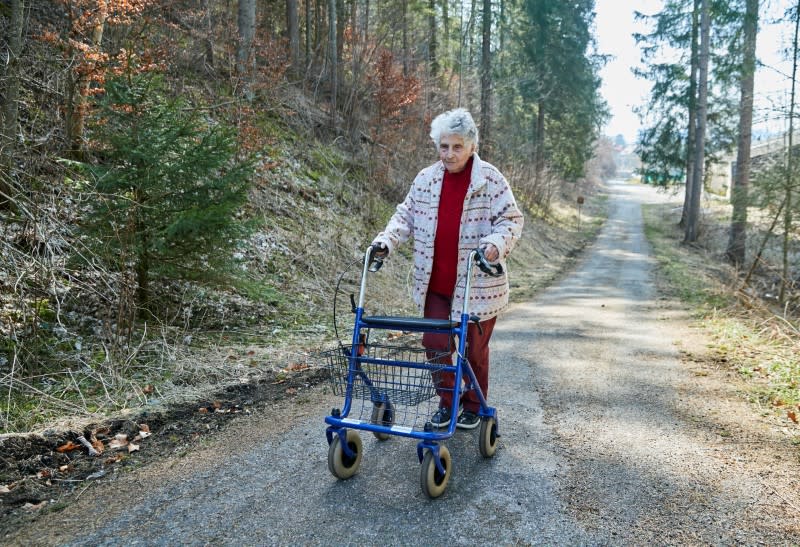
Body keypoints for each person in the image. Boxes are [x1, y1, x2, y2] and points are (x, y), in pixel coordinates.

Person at [370, 108, 524, 429]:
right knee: (435, 346)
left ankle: (472, 405)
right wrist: (385, 240)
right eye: (444, 146)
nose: (449, 154)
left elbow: (510, 220)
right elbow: (404, 216)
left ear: (472, 146)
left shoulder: (490, 180)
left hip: (477, 286)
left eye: (457, 147)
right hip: (436, 285)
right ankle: (448, 401)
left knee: (473, 351)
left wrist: (494, 246)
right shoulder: (426, 179)